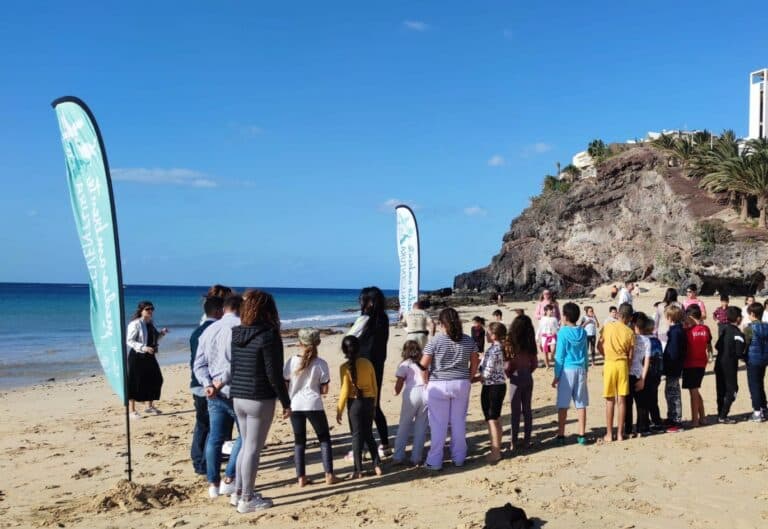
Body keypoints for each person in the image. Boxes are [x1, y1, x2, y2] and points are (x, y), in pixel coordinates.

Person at [229, 290, 291, 512]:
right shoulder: (269, 335)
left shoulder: (236, 333)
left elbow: (234, 367)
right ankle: (247, 499)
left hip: (238, 395)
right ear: (269, 310)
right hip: (258, 397)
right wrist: (286, 401)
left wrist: (233, 391)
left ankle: (238, 493)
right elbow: (274, 373)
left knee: (246, 446)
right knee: (253, 449)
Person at [193, 294, 242, 499]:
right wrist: (218, 382)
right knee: (245, 436)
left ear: (224, 309)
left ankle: (213, 483)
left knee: (215, 437)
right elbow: (237, 361)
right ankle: (229, 477)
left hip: (214, 391)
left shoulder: (209, 329)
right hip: (236, 390)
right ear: (240, 308)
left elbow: (199, 364)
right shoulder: (241, 326)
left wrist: (207, 384)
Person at [420, 308, 480, 471]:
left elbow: (423, 365)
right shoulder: (468, 340)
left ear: (441, 324)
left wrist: (425, 382)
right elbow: (475, 361)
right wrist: (469, 377)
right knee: (458, 421)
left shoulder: (435, 340)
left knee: (438, 424)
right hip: (461, 383)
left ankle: (435, 460)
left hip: (438, 384)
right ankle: (459, 457)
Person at [284, 328, 338, 487]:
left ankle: (301, 477)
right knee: (324, 438)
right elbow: (324, 390)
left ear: (299, 343)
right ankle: (329, 474)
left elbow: (285, 383)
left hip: (295, 404)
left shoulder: (291, 361)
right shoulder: (321, 364)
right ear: (317, 343)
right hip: (314, 403)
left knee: (299, 441)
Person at [347, 286, 391, 456]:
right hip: (377, 367)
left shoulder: (365, 319)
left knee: (356, 407)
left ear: (370, 302)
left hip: (361, 366)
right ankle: (385, 444)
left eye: (362, 299)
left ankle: (359, 448)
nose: (360, 302)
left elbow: (348, 339)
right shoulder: (384, 319)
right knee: (374, 406)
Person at [337, 335, 383, 478]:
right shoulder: (367, 363)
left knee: (356, 436)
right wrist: (374, 404)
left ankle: (358, 470)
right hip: (369, 401)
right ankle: (377, 465)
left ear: (344, 350)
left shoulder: (344, 368)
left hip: (354, 403)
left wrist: (339, 409)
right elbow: (374, 386)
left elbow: (344, 390)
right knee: (368, 433)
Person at [189, 296, 224, 476]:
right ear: (218, 311)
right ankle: (203, 463)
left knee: (202, 424)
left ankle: (198, 459)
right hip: (210, 384)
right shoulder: (215, 330)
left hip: (196, 382)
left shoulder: (197, 331)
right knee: (212, 427)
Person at [552, 303, 589, 445]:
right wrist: (586, 369)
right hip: (580, 369)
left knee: (563, 404)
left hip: (567, 371)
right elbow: (585, 353)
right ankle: (582, 434)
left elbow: (559, 356)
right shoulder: (583, 332)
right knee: (581, 403)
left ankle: (561, 434)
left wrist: (556, 375)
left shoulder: (562, 332)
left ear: (565, 316)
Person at [597, 303, 634, 442]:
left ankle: (609, 433)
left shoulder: (607, 327)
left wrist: (606, 356)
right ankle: (619, 433)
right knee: (622, 400)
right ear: (629, 318)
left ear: (618, 313)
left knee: (609, 400)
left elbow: (599, 346)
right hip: (622, 364)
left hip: (610, 363)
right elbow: (631, 355)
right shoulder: (630, 332)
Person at [126, 301, 169, 419]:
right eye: (147, 309)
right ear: (141, 310)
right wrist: (143, 348)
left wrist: (162, 333)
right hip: (137, 356)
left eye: (152, 309)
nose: (150, 311)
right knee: (134, 382)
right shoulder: (135, 324)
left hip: (149, 355)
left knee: (156, 379)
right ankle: (132, 411)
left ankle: (149, 406)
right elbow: (129, 341)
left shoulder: (149, 323)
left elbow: (154, 339)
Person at [504, 315, 537, 452]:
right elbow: (534, 364)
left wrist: (509, 374)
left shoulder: (510, 343)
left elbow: (508, 365)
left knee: (515, 411)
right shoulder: (530, 342)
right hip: (527, 376)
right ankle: (527, 440)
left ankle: (513, 441)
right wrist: (527, 371)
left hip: (516, 377)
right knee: (527, 410)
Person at [392, 340, 428, 467]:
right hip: (425, 392)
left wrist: (396, 391)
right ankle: (416, 457)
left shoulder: (405, 364)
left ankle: (398, 456)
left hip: (411, 393)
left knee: (404, 425)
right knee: (421, 426)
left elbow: (400, 382)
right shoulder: (424, 362)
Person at [477, 322, 507, 463]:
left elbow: (487, 371)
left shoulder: (494, 350)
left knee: (491, 419)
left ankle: (495, 451)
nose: (486, 335)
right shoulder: (499, 348)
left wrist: (476, 378)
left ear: (494, 335)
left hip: (492, 386)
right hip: (499, 385)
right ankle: (497, 448)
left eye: (488, 333)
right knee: (496, 418)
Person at [634, 314, 664, 434]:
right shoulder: (657, 341)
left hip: (646, 374)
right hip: (656, 375)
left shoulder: (643, 341)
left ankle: (644, 425)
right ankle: (657, 422)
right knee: (653, 400)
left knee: (644, 401)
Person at [714, 306, 744, 424]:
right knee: (732, 389)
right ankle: (723, 415)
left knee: (721, 389)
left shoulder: (724, 331)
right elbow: (739, 353)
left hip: (719, 363)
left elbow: (717, 346)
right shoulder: (738, 334)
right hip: (730, 365)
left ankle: (720, 412)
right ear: (738, 319)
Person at [683, 305, 711, 427]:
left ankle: (695, 420)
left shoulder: (688, 332)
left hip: (691, 363)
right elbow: (708, 343)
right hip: (701, 362)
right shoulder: (706, 329)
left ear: (691, 317)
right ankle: (703, 417)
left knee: (693, 391)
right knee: (695, 389)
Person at [627, 312, 652, 437]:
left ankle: (628, 429)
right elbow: (647, 360)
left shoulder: (629, 337)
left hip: (628, 373)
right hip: (640, 373)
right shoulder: (647, 340)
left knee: (628, 403)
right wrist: (643, 378)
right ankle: (643, 428)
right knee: (641, 403)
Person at [662, 305, 686, 433]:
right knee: (669, 392)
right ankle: (671, 417)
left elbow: (675, 352)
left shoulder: (676, 332)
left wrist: (669, 363)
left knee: (673, 394)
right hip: (672, 366)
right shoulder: (675, 330)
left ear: (670, 317)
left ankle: (677, 420)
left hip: (674, 367)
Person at [743, 302, 768, 422]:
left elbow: (746, 344)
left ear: (752, 314)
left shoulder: (749, 328)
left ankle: (757, 412)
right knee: (760, 384)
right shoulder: (767, 326)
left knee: (754, 386)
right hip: (764, 359)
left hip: (753, 359)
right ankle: (764, 409)